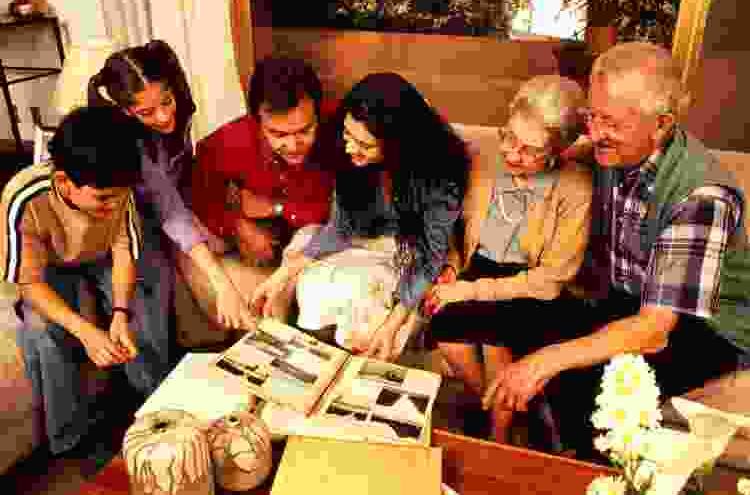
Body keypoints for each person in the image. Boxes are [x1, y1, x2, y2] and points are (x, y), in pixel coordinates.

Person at [482, 42, 750, 458]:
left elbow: (654, 329)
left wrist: (543, 362)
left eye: (609, 122)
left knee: (597, 394)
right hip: (630, 302)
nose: (593, 131)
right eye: (592, 115)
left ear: (660, 125)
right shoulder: (612, 150)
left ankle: (583, 472)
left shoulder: (701, 197)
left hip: (704, 329)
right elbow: (565, 155)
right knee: (516, 322)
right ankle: (529, 460)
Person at [252, 72, 471, 360]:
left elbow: (428, 259)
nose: (350, 148)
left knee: (365, 299)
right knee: (309, 267)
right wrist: (281, 276)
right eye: (348, 136)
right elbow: (340, 227)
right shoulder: (346, 151)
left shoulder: (439, 172)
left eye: (365, 145)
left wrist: (392, 325)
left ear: (397, 144)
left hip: (410, 250)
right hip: (361, 237)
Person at [421, 75, 592, 445]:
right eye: (509, 137)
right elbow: (458, 231)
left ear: (558, 150)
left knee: (497, 342)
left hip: (532, 286)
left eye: (530, 150)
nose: (512, 154)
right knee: (445, 330)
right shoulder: (484, 163)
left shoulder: (575, 187)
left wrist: (469, 291)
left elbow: (550, 279)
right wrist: (452, 271)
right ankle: (504, 411)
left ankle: (497, 438)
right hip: (478, 271)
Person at [1, 106, 160, 454]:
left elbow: (123, 251)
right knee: (41, 330)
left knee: (143, 305)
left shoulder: (116, 186)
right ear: (64, 183)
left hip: (104, 257)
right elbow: (28, 283)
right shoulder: (23, 197)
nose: (115, 204)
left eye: (121, 195)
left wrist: (119, 313)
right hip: (50, 267)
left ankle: (157, 407)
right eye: (103, 198)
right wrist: (86, 331)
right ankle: (72, 441)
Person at [88, 40, 256, 338]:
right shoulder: (128, 142)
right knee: (152, 287)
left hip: (172, 202)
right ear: (127, 112)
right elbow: (168, 207)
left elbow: (180, 176)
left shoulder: (179, 108)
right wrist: (222, 284)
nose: (164, 117)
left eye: (166, 102)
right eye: (147, 112)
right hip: (133, 220)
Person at [192, 56, 335, 271]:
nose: (293, 144)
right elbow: (197, 194)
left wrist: (276, 208)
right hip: (262, 239)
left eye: (305, 130)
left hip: (318, 236)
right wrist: (237, 225)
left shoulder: (341, 134)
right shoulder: (232, 141)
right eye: (278, 134)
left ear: (318, 113)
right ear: (256, 121)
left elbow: (348, 214)